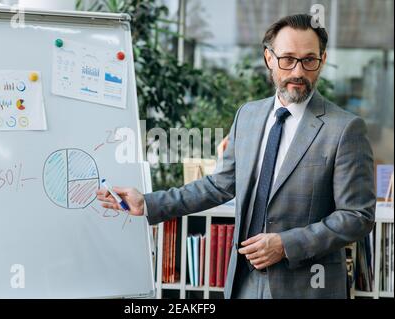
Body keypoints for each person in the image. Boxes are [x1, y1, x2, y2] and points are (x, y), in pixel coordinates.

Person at [97, 13, 375, 299]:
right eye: (287, 59)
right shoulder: (248, 115)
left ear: (323, 59)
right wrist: (149, 202)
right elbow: (219, 185)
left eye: (309, 60)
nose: (298, 72)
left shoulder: (344, 129)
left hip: (306, 288)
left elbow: (357, 216)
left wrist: (285, 244)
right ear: (269, 58)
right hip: (243, 281)